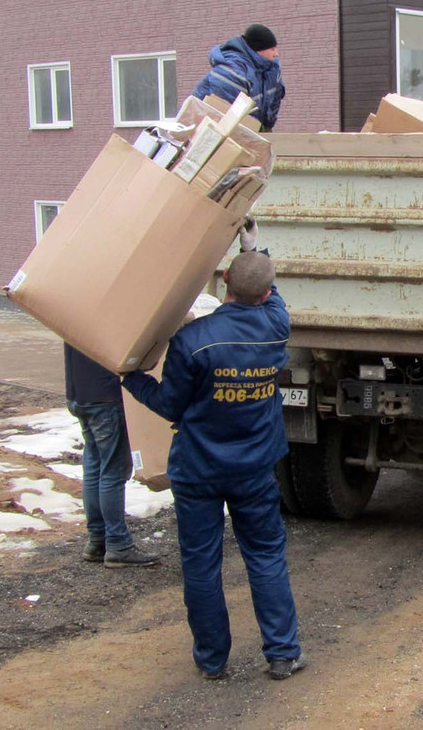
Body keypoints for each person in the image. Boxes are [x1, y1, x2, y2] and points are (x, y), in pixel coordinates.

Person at [121, 223, 304, 681]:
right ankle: (282, 654)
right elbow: (269, 289)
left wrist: (130, 377)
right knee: (265, 556)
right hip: (254, 469)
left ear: (224, 281)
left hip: (198, 469)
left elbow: (168, 405)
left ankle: (212, 660)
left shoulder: (192, 340)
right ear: (266, 294)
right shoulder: (277, 326)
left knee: (201, 563)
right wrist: (253, 247)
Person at [64, 344, 161, 568]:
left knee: (95, 469)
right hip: (105, 395)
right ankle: (118, 544)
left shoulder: (77, 308)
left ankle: (97, 540)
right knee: (113, 472)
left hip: (80, 393)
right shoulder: (106, 310)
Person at [192, 24, 286, 132]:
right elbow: (225, 115)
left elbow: (275, 101)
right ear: (258, 50)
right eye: (272, 49)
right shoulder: (233, 72)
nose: (276, 53)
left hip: (247, 129)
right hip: (205, 130)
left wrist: (266, 129)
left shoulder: (271, 69)